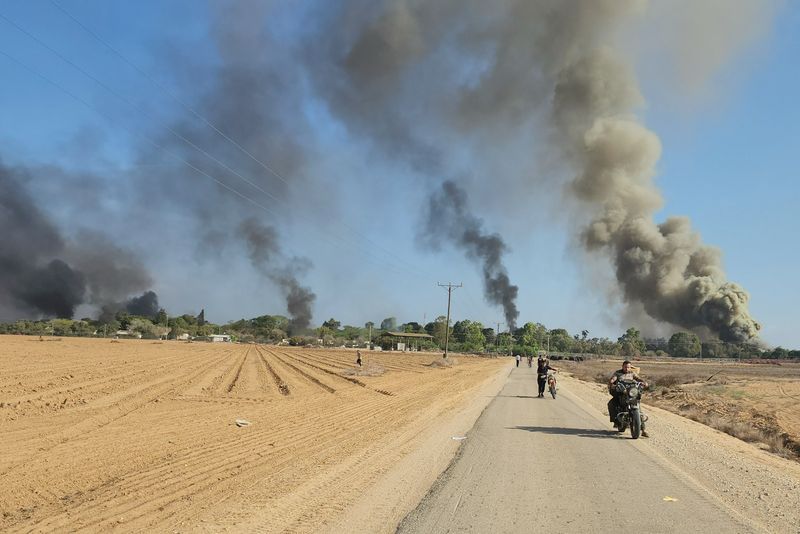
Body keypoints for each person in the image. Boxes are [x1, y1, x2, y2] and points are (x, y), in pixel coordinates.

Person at [608, 360, 648, 434]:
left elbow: (638, 378)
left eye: (628, 367)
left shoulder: (632, 373)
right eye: (625, 367)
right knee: (611, 403)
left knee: (638, 407)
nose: (627, 369)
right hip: (621, 392)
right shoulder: (618, 373)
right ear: (622, 366)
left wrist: (644, 382)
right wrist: (612, 382)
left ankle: (643, 430)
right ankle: (616, 421)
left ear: (630, 368)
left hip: (631, 392)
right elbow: (613, 378)